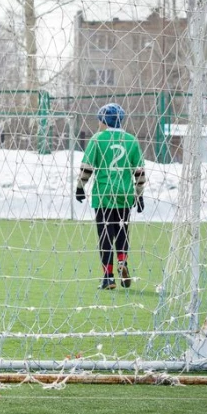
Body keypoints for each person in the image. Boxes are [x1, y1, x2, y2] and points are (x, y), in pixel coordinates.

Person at [75, 103, 146, 290]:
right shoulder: (131, 140)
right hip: (124, 195)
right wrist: (139, 195)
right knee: (122, 232)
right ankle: (123, 261)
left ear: (104, 120)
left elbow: (87, 167)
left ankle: (108, 277)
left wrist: (80, 187)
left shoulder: (98, 139)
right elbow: (139, 172)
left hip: (104, 194)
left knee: (105, 235)